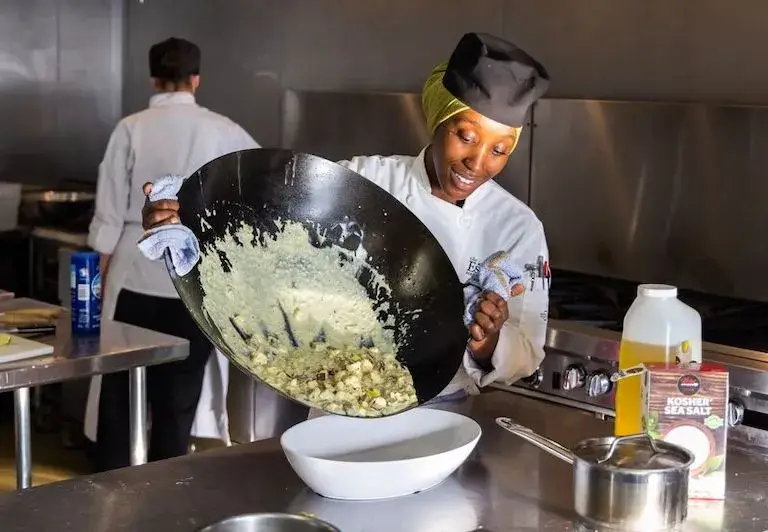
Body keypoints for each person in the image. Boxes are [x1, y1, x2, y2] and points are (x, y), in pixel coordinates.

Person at [141, 32, 550, 407]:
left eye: (499, 151)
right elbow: (265, 215)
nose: (476, 164)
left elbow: (529, 354)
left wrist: (487, 343)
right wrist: (185, 215)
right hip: (336, 398)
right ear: (440, 119)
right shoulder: (367, 181)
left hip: (446, 414)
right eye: (466, 136)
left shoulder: (516, 227)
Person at [86, 37, 259, 471]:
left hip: (133, 276)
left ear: (153, 78)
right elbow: (259, 187)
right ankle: (165, 490)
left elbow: (107, 211)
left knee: (119, 392)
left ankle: (107, 490)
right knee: (178, 397)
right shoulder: (226, 130)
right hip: (194, 281)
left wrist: (99, 273)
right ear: (196, 81)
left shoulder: (131, 127)